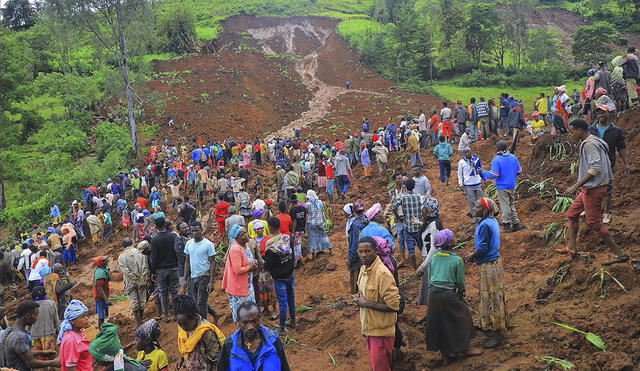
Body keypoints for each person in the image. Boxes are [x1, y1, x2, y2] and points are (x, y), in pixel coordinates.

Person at [559, 119, 629, 265]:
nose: (571, 134)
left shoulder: (590, 144)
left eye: (572, 131)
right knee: (572, 214)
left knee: (594, 223)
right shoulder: (595, 140)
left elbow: (595, 168)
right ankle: (571, 247)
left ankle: (620, 254)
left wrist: (575, 186)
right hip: (589, 188)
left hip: (594, 189)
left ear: (579, 131)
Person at [424, 230, 482, 365]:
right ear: (450, 243)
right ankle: (465, 348)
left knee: (439, 323)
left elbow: (430, 277)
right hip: (448, 293)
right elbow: (460, 282)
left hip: (433, 294)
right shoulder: (456, 260)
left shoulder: (434, 258)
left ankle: (446, 356)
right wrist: (461, 293)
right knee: (462, 317)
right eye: (453, 238)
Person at [465, 198, 508, 348]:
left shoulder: (484, 225)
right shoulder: (492, 220)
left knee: (491, 296)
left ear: (484, 210)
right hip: (495, 262)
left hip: (488, 264)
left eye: (477, 207)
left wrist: (472, 256)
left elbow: (482, 248)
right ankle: (494, 322)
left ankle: (496, 334)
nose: (474, 208)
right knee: (496, 294)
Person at [354, 237, 401, 371]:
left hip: (381, 334)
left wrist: (366, 303)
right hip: (370, 328)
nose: (363, 255)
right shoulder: (363, 269)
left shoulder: (382, 274)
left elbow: (394, 306)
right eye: (360, 251)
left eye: (367, 251)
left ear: (375, 251)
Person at [217, 301, 290, 371]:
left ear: (259, 318)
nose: (250, 327)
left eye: (254, 321)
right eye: (245, 322)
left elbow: (284, 367)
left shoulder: (273, 340)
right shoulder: (229, 345)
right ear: (238, 322)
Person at [588, 105, 630, 224]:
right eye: (599, 113)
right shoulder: (591, 130)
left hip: (609, 163)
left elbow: (621, 147)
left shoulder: (616, 131)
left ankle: (606, 213)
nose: (601, 115)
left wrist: (626, 163)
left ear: (609, 113)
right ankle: (592, 210)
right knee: (591, 186)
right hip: (593, 163)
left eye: (603, 113)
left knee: (607, 188)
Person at [2, 301, 60, 371]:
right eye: (36, 315)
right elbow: (30, 363)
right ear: (28, 316)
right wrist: (52, 362)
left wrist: (42, 353)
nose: (37, 318)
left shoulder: (9, 331)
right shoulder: (20, 337)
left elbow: (21, 353)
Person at [174, 295, 226, 371]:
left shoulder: (206, 332)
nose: (182, 327)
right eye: (179, 324)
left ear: (195, 317)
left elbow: (216, 358)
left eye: (185, 324)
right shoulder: (184, 328)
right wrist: (181, 358)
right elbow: (184, 346)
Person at [263, 217, 295, 333]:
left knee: (282, 302)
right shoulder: (288, 238)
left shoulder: (270, 245)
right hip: (290, 274)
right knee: (291, 298)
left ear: (270, 228)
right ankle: (293, 320)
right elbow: (293, 255)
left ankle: (281, 327)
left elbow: (267, 265)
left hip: (279, 277)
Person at [483, 141, 523, 232]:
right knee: (511, 203)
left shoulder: (497, 159)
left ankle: (506, 225)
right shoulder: (513, 157)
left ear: (497, 148)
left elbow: (494, 175)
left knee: (505, 205)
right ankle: (516, 223)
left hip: (502, 186)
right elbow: (519, 171)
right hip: (512, 184)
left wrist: (483, 172)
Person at [183, 221, 218, 322]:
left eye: (196, 230)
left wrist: (211, 281)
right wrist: (185, 279)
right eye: (192, 231)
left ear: (201, 230)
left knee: (201, 303)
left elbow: (212, 262)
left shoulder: (208, 244)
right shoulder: (189, 244)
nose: (194, 233)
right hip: (193, 277)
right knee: (195, 301)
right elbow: (187, 261)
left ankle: (203, 324)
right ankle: (215, 314)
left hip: (205, 275)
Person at [222, 225, 257, 322]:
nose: (246, 235)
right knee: (242, 314)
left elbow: (250, 260)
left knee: (250, 311)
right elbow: (237, 270)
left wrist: (254, 263)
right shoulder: (235, 249)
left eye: (246, 232)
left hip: (247, 285)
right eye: (242, 235)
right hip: (239, 287)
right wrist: (251, 266)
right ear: (237, 238)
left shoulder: (247, 245)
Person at [150, 217, 179, 323]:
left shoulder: (154, 240)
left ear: (156, 227)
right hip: (174, 267)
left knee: (163, 292)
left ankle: (165, 315)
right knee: (175, 291)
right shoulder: (173, 236)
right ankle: (176, 314)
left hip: (161, 270)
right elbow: (177, 251)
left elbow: (154, 258)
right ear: (165, 224)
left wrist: (153, 272)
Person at [118, 238, 150, 327]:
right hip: (142, 280)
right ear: (132, 243)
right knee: (142, 301)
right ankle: (141, 319)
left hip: (130, 282)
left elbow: (125, 270)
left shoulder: (121, 256)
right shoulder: (140, 253)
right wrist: (141, 278)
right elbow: (145, 267)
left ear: (123, 246)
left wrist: (134, 278)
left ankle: (139, 323)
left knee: (134, 302)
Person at [393, 179, 423, 270]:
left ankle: (415, 269)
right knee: (421, 245)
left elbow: (394, 207)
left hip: (408, 225)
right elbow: (423, 207)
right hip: (418, 224)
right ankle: (426, 262)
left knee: (411, 249)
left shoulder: (402, 197)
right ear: (414, 186)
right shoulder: (419, 196)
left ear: (405, 186)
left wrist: (398, 217)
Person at [57, 300, 92, 371]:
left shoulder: (80, 332)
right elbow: (71, 367)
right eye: (82, 316)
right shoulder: (71, 340)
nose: (87, 318)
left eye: (86, 315)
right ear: (73, 321)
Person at [29, 286, 59, 359]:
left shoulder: (31, 306)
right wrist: (59, 333)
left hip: (34, 336)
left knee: (39, 359)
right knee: (51, 357)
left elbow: (27, 324)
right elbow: (56, 321)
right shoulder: (51, 303)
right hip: (48, 335)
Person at [457, 149, 485, 221]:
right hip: (468, 184)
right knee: (471, 201)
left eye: (468, 152)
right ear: (464, 154)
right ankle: (474, 217)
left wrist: (484, 178)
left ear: (471, 152)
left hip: (477, 182)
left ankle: (482, 215)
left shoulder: (476, 159)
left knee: (481, 200)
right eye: (465, 152)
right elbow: (460, 174)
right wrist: (461, 183)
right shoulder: (462, 162)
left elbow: (481, 168)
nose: (467, 153)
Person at [347, 200, 368, 294]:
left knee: (356, 277)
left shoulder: (355, 225)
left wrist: (351, 258)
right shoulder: (366, 220)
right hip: (368, 251)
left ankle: (356, 298)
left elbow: (354, 243)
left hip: (358, 255)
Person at [91, 255, 111, 329]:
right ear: (101, 263)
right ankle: (101, 331)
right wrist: (106, 299)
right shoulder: (100, 273)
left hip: (102, 296)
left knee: (104, 314)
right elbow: (99, 288)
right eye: (105, 261)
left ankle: (103, 328)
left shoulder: (102, 270)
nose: (107, 262)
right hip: (100, 297)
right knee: (101, 316)